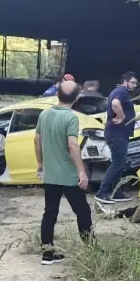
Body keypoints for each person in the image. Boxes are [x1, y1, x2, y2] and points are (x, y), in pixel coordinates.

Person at [34, 80, 93, 265]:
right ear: (76, 97)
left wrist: (40, 164)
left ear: (58, 94)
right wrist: (81, 171)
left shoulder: (44, 114)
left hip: (50, 175)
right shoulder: (71, 118)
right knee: (83, 211)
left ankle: (47, 253)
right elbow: (73, 144)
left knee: (50, 213)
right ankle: (91, 249)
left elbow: (36, 140)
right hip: (68, 176)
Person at [96, 72, 139, 204]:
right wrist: (122, 117)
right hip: (117, 134)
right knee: (117, 163)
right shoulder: (122, 91)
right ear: (125, 82)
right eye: (132, 82)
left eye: (136, 83)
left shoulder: (120, 92)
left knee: (119, 164)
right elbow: (115, 104)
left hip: (118, 134)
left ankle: (116, 192)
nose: (135, 85)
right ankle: (102, 193)